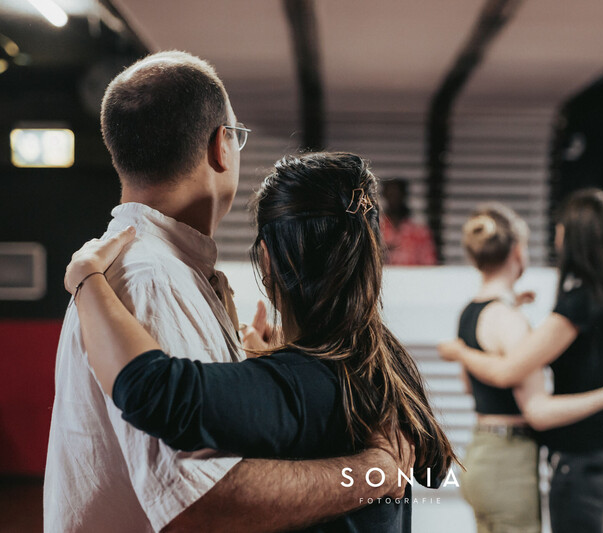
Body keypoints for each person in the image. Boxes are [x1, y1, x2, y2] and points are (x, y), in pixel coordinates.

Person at [44, 52, 412, 533]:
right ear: (222, 145)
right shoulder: (151, 277)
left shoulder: (157, 269)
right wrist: (374, 472)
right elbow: (198, 505)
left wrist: (263, 369)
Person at [62, 152, 457, 532]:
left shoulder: (297, 384)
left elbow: (150, 388)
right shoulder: (385, 360)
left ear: (268, 260)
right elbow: (432, 470)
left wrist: (86, 279)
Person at [440, 189, 603, 533]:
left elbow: (498, 376)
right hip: (548, 460)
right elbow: (534, 404)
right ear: (517, 251)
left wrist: (460, 352)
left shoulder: (472, 313)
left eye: (561, 226)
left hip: (486, 455)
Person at [380, 178, 437, 265]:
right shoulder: (376, 230)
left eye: (397, 195)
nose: (394, 199)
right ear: (385, 196)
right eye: (390, 195)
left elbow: (429, 264)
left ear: (404, 196)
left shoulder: (420, 232)